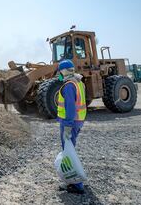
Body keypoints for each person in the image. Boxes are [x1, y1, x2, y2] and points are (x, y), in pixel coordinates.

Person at [57, 59, 87, 194]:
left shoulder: (69, 85)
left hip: (70, 122)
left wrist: (68, 126)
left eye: (59, 72)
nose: (59, 74)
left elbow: (70, 108)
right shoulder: (78, 82)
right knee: (70, 151)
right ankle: (73, 181)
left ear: (63, 71)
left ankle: (76, 184)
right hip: (78, 120)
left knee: (68, 153)